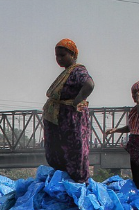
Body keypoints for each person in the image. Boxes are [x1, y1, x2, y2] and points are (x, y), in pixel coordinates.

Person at [43, 38, 95, 183]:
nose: (59, 59)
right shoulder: (67, 73)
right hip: (60, 120)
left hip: (70, 122)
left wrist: (77, 101)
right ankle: (62, 181)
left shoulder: (77, 71)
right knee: (58, 153)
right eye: (57, 56)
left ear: (73, 55)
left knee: (72, 152)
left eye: (62, 55)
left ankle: (76, 183)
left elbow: (89, 84)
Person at [104, 81, 139, 195]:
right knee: (137, 174)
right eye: (133, 94)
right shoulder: (135, 110)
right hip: (135, 144)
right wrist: (116, 130)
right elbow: (132, 127)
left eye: (137, 94)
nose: (134, 97)